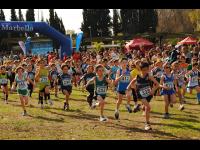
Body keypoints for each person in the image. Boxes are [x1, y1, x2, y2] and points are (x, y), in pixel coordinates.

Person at [127, 62, 159, 131]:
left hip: (148, 94)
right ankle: (147, 124)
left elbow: (157, 84)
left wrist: (153, 90)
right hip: (140, 94)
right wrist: (128, 88)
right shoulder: (138, 76)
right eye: (143, 70)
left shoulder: (149, 76)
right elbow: (132, 81)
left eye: (147, 69)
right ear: (140, 69)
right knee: (148, 107)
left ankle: (139, 107)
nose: (145, 71)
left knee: (145, 107)